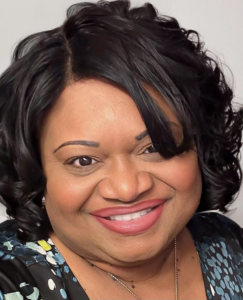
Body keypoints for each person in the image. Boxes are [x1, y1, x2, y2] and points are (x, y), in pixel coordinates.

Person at [0, 0, 242, 299]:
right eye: (83, 160)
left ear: (201, 146)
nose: (127, 189)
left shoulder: (227, 243)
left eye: (153, 146)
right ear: (34, 171)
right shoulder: (9, 281)